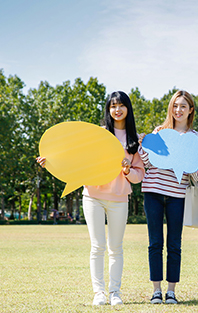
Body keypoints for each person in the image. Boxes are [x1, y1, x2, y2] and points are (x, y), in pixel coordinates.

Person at [36, 91, 145, 306]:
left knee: (116, 247)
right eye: (113, 106)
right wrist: (51, 161)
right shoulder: (99, 134)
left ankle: (115, 293)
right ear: (108, 110)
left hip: (119, 198)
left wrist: (126, 171)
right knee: (97, 247)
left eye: (121, 105)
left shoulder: (136, 140)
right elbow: (75, 157)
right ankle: (99, 293)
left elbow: (139, 175)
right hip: (92, 197)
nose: (117, 109)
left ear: (128, 109)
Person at [138, 90, 198, 305]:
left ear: (191, 110)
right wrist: (144, 146)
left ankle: (171, 292)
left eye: (183, 106)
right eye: (175, 106)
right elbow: (148, 163)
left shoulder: (197, 139)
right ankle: (156, 291)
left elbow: (194, 173)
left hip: (178, 195)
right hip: (153, 192)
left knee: (175, 244)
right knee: (155, 243)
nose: (178, 110)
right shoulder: (159, 132)